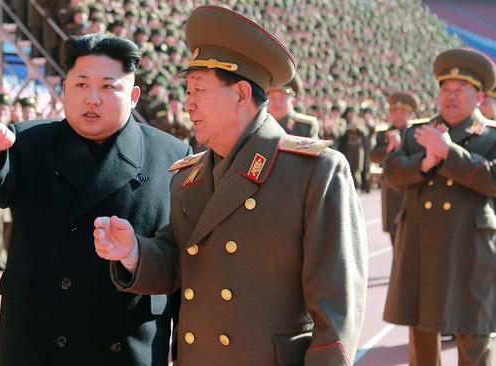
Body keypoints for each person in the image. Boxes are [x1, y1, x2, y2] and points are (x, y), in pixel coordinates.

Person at [94, 6, 367, 365]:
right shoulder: (188, 177)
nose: (187, 104)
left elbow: (337, 309)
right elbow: (178, 259)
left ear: (241, 94)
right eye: (187, 90)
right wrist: (133, 253)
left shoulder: (314, 172)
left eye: (198, 90)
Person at [0, 33, 189, 365]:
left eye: (109, 87)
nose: (92, 98)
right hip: (38, 339)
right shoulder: (28, 142)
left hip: (126, 340)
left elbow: (178, 253)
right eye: (81, 85)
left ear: (134, 95)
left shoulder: (171, 155)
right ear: (65, 89)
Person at [383, 48, 496, 365]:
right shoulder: (417, 133)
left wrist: (449, 155)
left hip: (470, 250)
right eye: (446, 89)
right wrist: (424, 162)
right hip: (423, 247)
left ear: (478, 96)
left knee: (474, 336)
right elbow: (392, 173)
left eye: (460, 90)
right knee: (422, 337)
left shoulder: (490, 136)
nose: (451, 97)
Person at [370, 92, 419, 245]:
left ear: (410, 114)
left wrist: (399, 148)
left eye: (402, 112)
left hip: (411, 189)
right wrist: (388, 148)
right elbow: (374, 156)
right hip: (391, 190)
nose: (398, 116)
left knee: (413, 237)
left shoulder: (416, 133)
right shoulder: (383, 133)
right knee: (395, 236)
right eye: (394, 112)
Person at [267, 73, 319, 138]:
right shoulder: (258, 123)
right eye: (273, 98)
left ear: (292, 101)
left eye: (281, 99)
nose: (277, 104)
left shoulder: (305, 127)